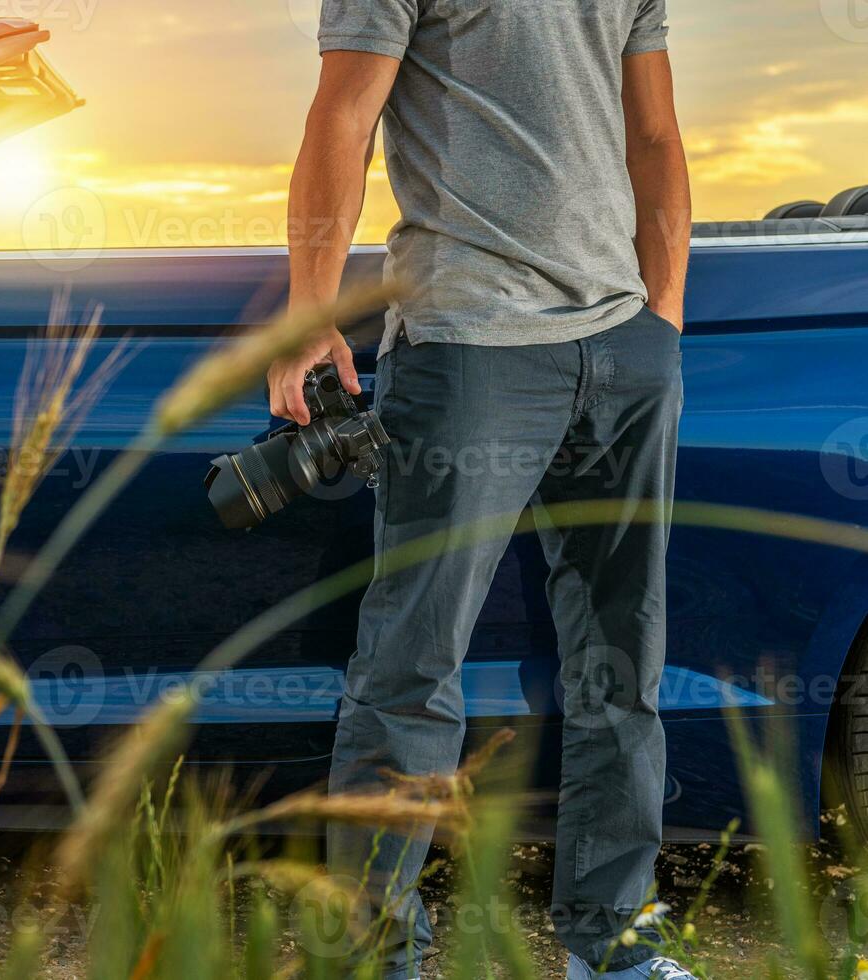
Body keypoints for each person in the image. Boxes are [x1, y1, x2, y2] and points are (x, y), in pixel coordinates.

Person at [271, 0, 692, 977]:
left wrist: (659, 319)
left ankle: (614, 942)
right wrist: (309, 307)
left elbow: (655, 130)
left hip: (621, 350)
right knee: (411, 667)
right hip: (467, 342)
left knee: (622, 658)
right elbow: (342, 115)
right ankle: (374, 957)